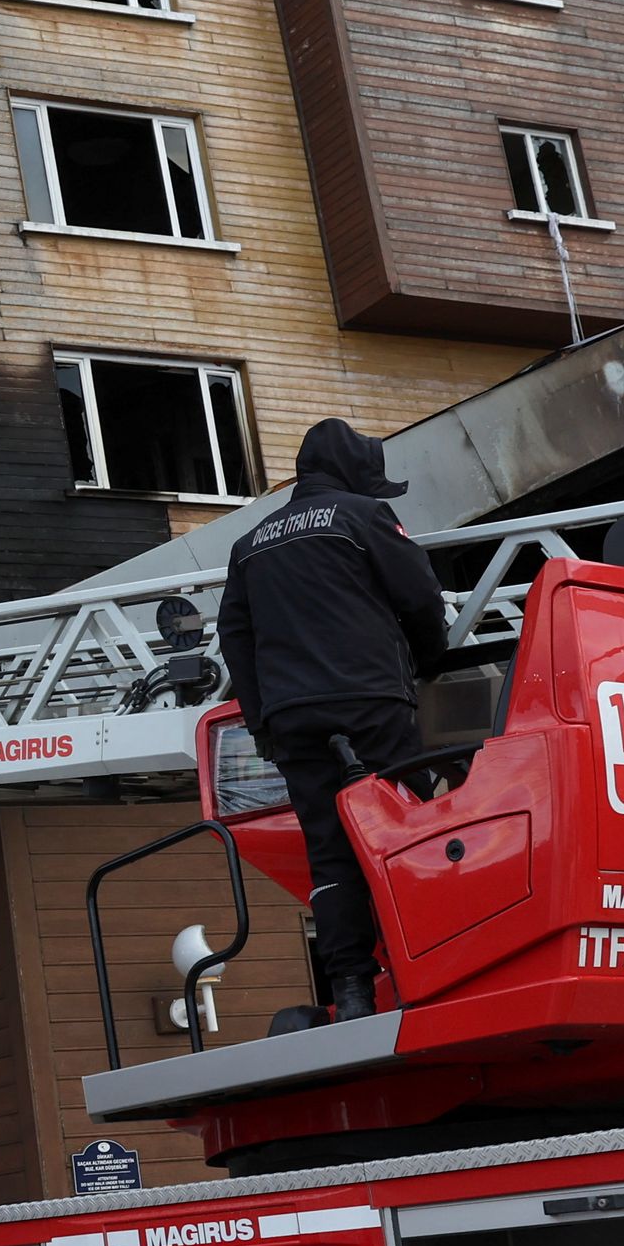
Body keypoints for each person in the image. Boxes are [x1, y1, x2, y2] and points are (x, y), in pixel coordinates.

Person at [216, 420, 449, 1023]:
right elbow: (421, 597)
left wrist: (264, 723)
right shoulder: (364, 517)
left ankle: (351, 990)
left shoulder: (249, 544)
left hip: (293, 719)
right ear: (352, 474)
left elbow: (235, 637)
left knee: (330, 850)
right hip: (371, 700)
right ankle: (430, 964)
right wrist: (430, 663)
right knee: (407, 829)